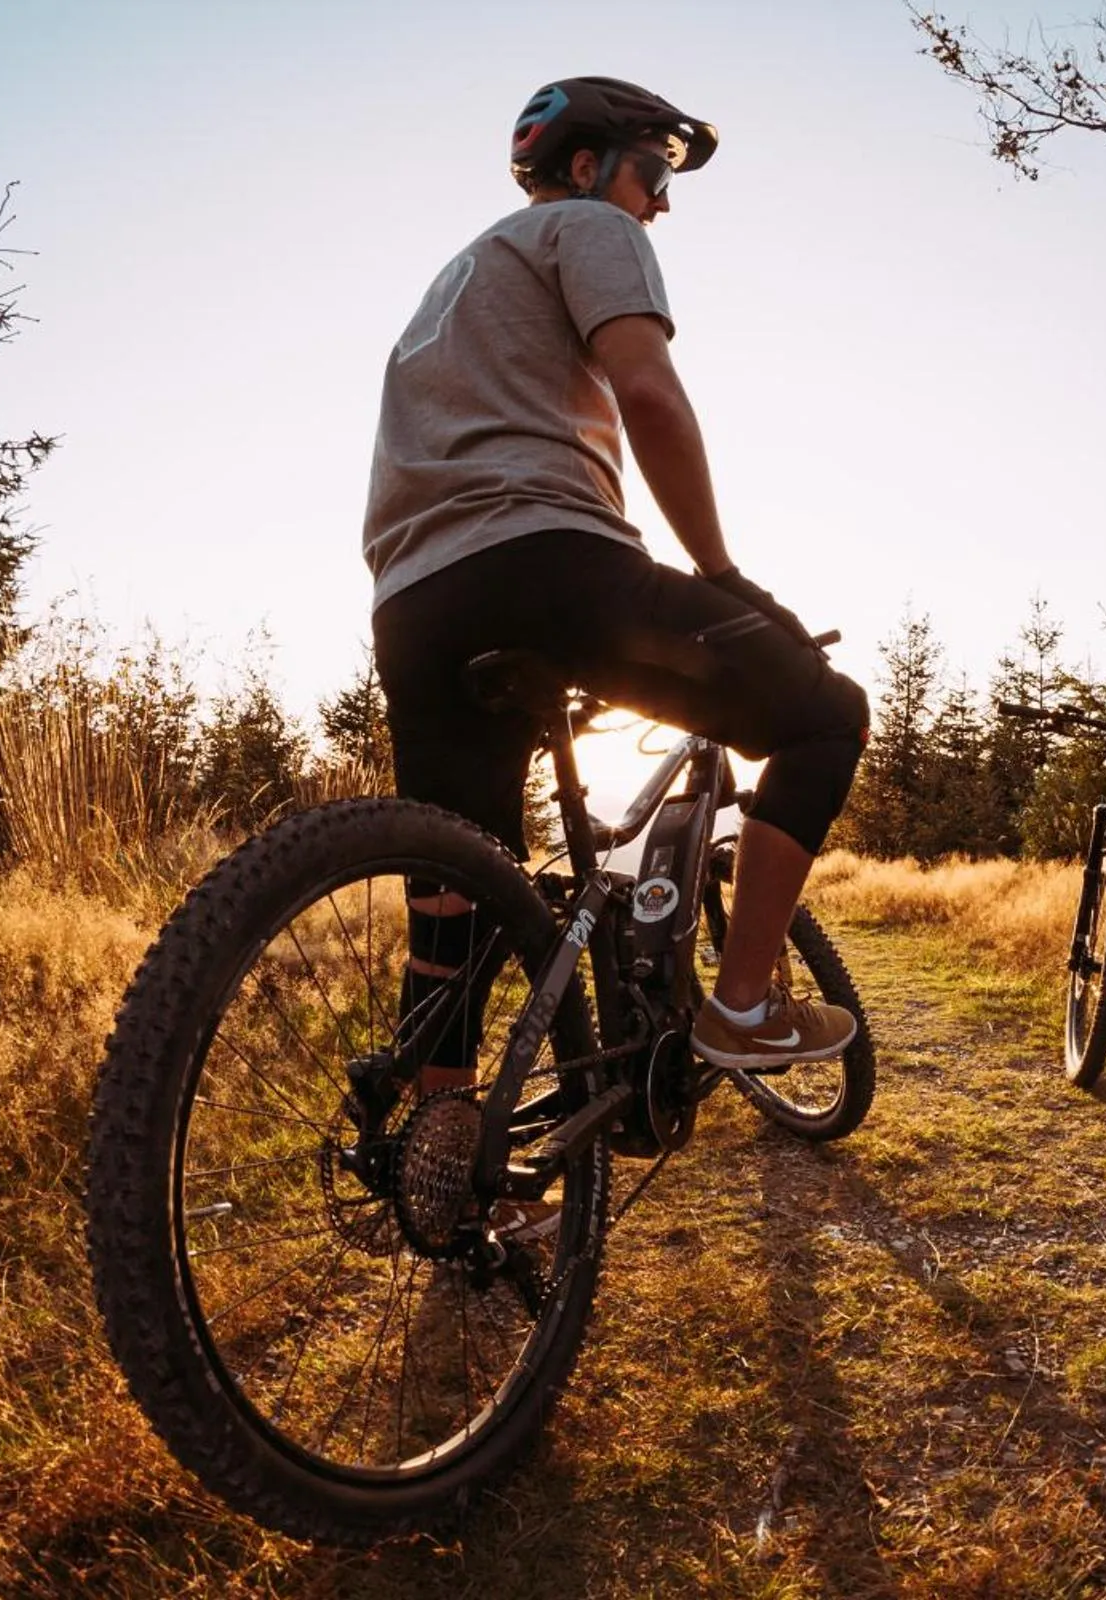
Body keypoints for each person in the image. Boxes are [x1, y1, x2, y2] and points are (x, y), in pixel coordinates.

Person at [362, 77, 868, 1084]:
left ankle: (442, 1153)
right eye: (653, 174)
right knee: (826, 716)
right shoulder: (590, 228)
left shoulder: (454, 285)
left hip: (412, 601)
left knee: (458, 909)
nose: (662, 203)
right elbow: (647, 391)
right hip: (548, 560)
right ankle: (743, 1007)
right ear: (588, 166)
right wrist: (724, 574)